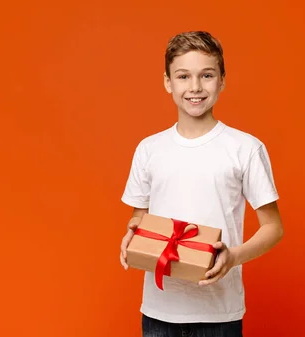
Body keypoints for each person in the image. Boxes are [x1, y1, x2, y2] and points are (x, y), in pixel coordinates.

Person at [119, 31, 284, 337]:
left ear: (222, 80)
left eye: (206, 75)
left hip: (219, 314)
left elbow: (273, 227)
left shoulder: (245, 148)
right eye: (183, 76)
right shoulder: (149, 149)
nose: (195, 87)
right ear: (168, 82)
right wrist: (133, 233)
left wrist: (233, 256)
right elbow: (139, 217)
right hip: (158, 311)